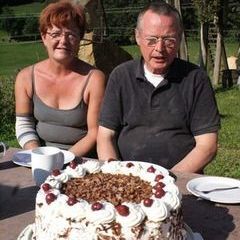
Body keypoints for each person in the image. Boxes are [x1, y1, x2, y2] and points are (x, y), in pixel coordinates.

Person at [97, 1, 220, 173]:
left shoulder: (195, 78)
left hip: (179, 178)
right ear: (138, 37)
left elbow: (207, 146)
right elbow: (105, 135)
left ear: (179, 38)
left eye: (169, 40)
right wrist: (116, 174)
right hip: (127, 177)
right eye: (152, 40)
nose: (159, 48)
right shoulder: (121, 76)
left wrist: (169, 179)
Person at [15, 0, 106, 158]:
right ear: (44, 37)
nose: (63, 41)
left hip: (81, 162)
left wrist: (61, 161)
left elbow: (94, 133)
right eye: (55, 34)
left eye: (71, 34)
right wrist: (36, 155)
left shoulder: (94, 79)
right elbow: (24, 124)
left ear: (80, 39)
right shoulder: (25, 77)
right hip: (39, 157)